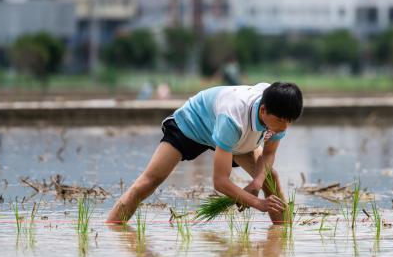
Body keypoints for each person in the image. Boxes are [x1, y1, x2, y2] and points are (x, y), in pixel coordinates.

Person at [107, 82, 303, 224]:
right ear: (263, 110)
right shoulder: (233, 119)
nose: (283, 128)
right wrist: (257, 203)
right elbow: (220, 182)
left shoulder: (278, 117)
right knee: (149, 181)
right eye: (279, 122)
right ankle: (111, 227)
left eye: (288, 122)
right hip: (193, 124)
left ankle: (283, 234)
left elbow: (268, 155)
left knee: (270, 178)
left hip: (234, 138)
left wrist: (255, 184)